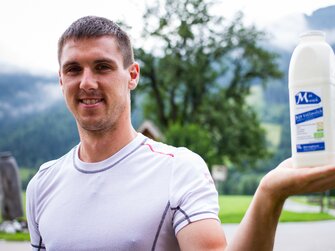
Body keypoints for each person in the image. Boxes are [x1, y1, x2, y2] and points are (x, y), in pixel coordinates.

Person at [26, 16, 335, 251]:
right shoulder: (42, 185)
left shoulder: (178, 170)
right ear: (60, 79)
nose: (87, 82)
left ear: (132, 75)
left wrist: (270, 194)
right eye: (73, 69)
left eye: (102, 67)